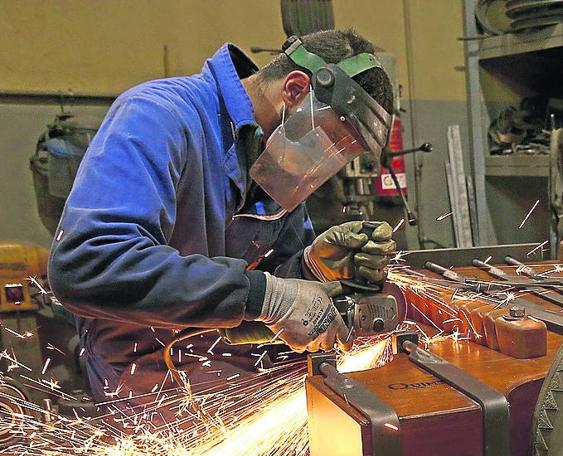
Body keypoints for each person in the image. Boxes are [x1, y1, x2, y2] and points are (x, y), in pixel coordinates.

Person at [47, 30, 398, 404]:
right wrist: (267, 298)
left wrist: (311, 270)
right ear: (296, 91)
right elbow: (87, 263)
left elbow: (272, 284)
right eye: (332, 142)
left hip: (230, 383)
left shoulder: (278, 160)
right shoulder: (158, 117)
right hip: (141, 386)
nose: (327, 163)